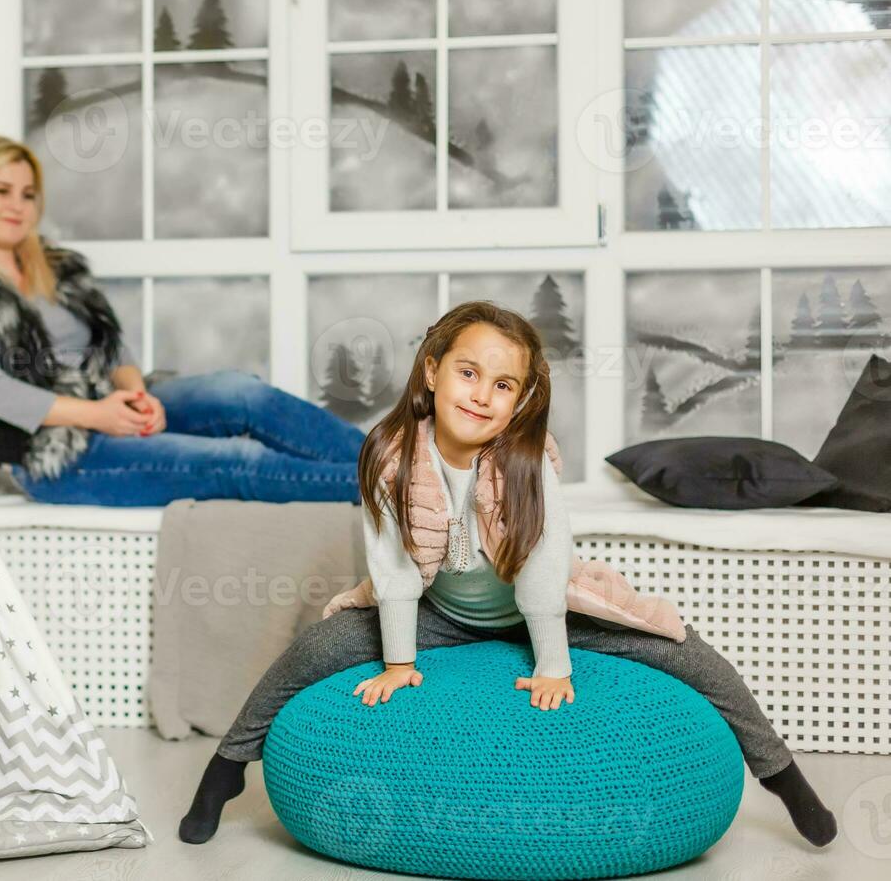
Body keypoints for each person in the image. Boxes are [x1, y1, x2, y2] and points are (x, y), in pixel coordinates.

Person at [178, 300, 838, 848]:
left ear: (521, 399)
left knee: (688, 653)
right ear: (432, 371)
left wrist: (553, 663)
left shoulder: (527, 463)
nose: (482, 396)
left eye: (503, 385)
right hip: (439, 612)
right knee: (314, 649)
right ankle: (228, 766)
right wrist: (401, 661)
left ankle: (781, 776)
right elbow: (394, 567)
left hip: (542, 610)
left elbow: (544, 571)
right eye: (469, 373)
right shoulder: (388, 458)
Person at [0, 135, 364, 506]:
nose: (17, 205)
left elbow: (113, 348)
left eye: (28, 194)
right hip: (57, 456)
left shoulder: (55, 268)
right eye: (1, 191)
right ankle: (398, 492)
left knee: (240, 392)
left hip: (115, 404)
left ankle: (396, 464)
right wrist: (98, 415)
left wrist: (136, 396)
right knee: (236, 459)